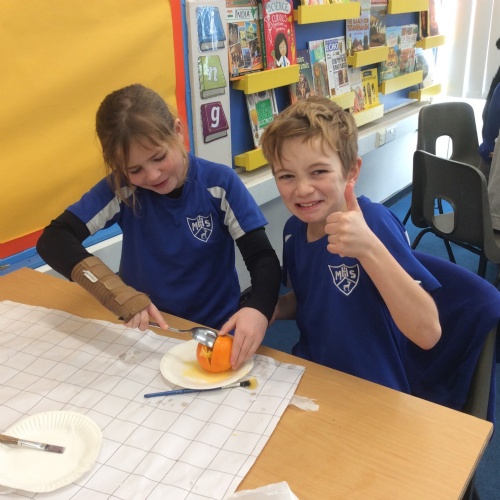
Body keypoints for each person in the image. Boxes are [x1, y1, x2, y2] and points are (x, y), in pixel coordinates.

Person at [36, 84, 281, 369]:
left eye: (159, 157)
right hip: (145, 330)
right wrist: (117, 293)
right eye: (135, 169)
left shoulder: (219, 183)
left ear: (177, 131)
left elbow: (263, 258)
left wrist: (258, 308)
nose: (152, 175)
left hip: (213, 331)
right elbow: (53, 240)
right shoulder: (122, 188)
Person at [259, 96, 442, 392]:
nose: (302, 189)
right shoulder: (293, 231)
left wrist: (369, 248)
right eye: (286, 176)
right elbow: (311, 297)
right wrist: (278, 306)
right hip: (312, 375)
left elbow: (428, 332)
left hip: (373, 389)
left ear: (351, 171)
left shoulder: (374, 224)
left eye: (319, 171)